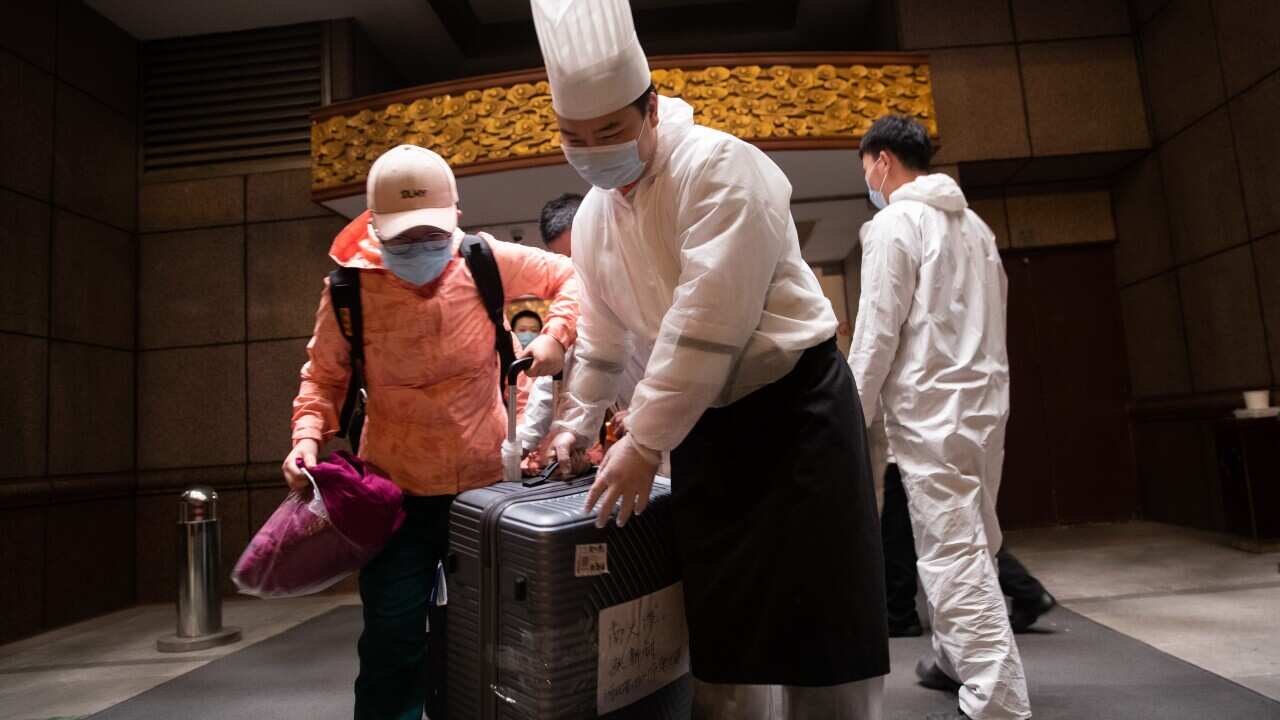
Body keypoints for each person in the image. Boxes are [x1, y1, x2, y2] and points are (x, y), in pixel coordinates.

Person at [531, 1, 889, 716]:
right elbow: (601, 335)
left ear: (652, 109)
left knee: (822, 628)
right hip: (709, 430)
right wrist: (575, 424)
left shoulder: (722, 166)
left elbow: (706, 324)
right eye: (575, 138)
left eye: (610, 131)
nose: (593, 150)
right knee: (721, 630)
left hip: (797, 413)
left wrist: (643, 440)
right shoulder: (598, 213)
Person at [282, 144, 579, 720]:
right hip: (396, 492)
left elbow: (571, 276)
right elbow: (322, 377)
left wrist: (555, 336)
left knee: (498, 637)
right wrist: (305, 440)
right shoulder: (349, 289)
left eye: (429, 235)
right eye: (402, 240)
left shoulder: (483, 260)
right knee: (392, 636)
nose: (419, 250)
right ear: (374, 227)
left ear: (455, 219)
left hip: (488, 490)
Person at [847, 115, 1031, 720]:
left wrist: (849, 413)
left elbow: (877, 331)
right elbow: (999, 310)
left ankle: (996, 695)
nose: (868, 180)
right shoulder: (975, 227)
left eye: (865, 169)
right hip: (985, 403)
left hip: (932, 409)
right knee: (976, 534)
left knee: (951, 549)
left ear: (881, 162)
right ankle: (954, 658)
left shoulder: (894, 222)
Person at [881, 463, 1058, 638]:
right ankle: (1026, 589)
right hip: (948, 450)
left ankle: (899, 612)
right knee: (960, 525)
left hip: (919, 452)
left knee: (905, 525)